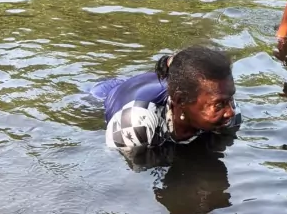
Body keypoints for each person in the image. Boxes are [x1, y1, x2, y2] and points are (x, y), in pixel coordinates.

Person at [91, 46, 240, 152]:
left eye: (230, 98)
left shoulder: (226, 109)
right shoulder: (135, 124)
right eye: (219, 105)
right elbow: (128, 179)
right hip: (106, 93)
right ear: (180, 101)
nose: (230, 112)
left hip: (156, 84)